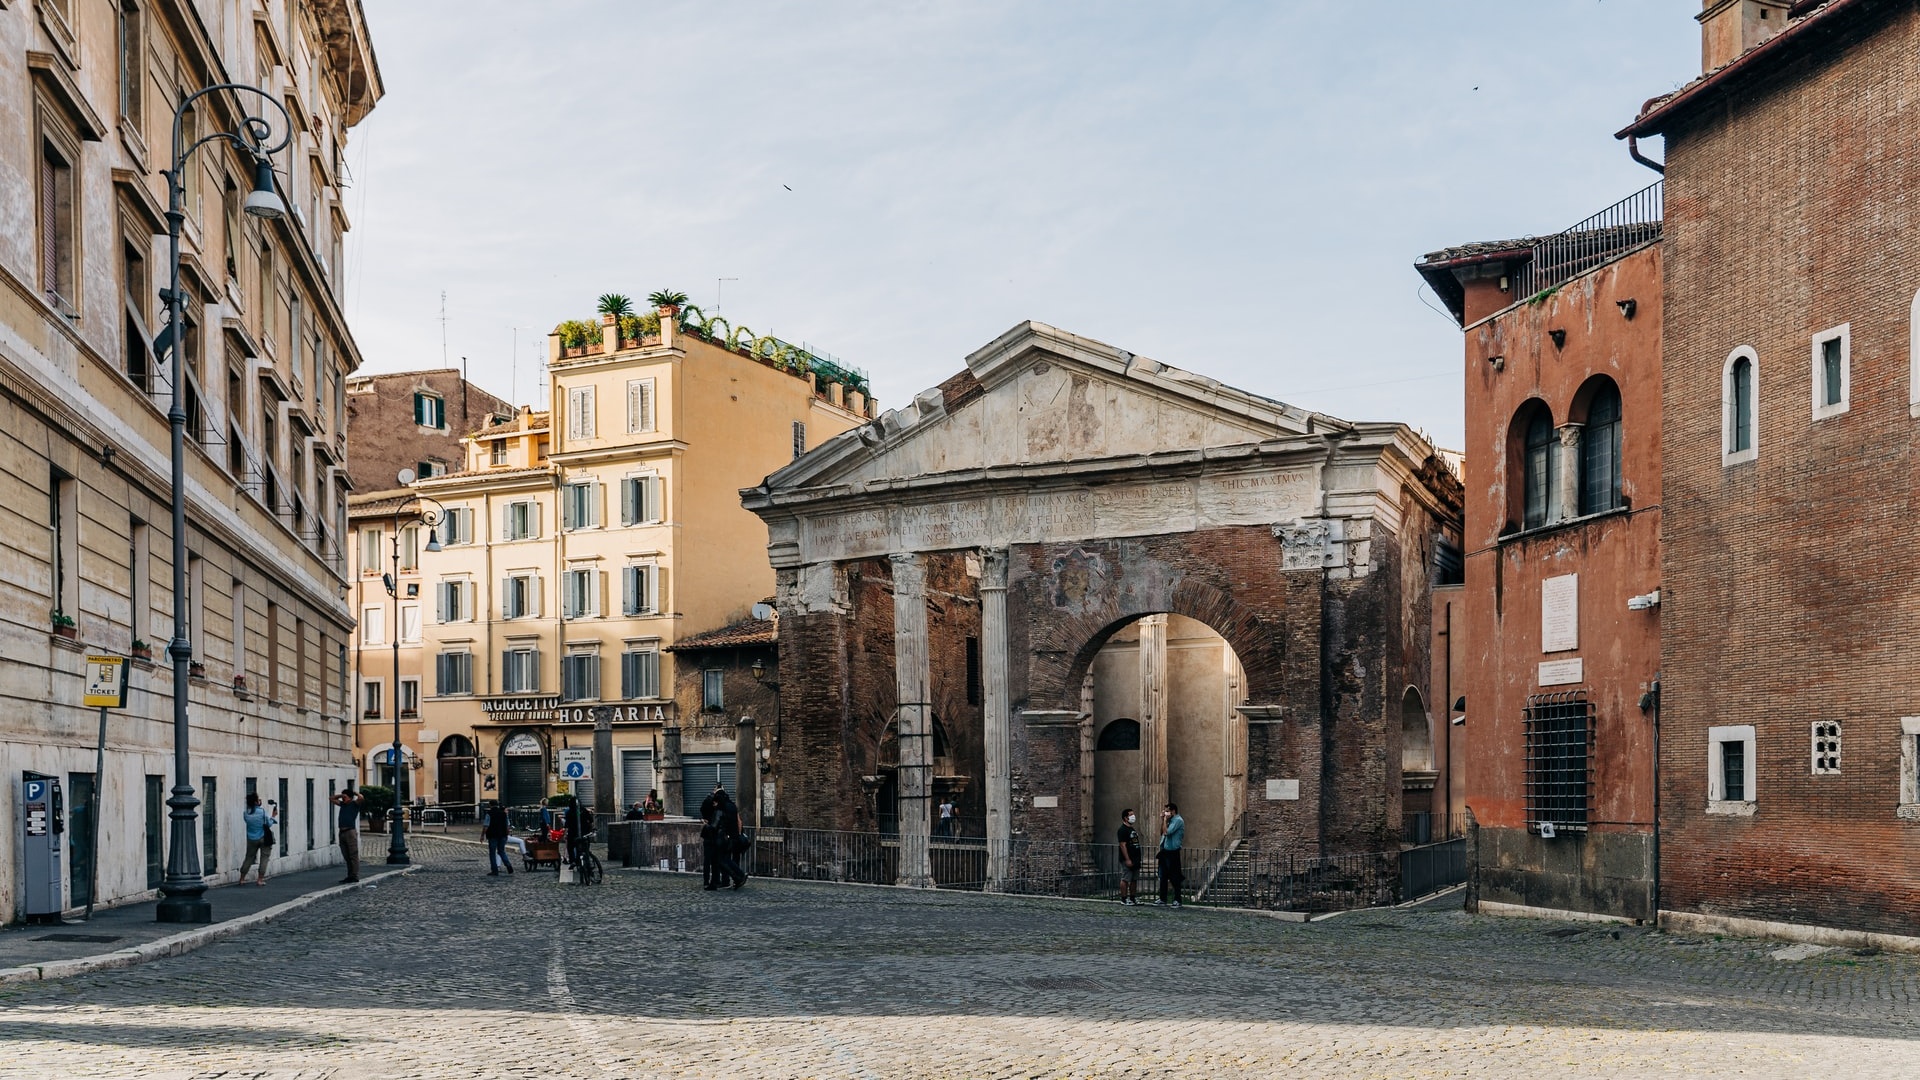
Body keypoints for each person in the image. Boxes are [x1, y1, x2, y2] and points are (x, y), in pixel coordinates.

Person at [238, 792, 277, 886]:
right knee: (264, 858)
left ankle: (242, 878)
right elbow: (269, 824)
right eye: (258, 799)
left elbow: (249, 822)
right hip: (264, 837)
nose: (260, 801)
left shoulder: (246, 813)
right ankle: (260, 880)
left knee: (249, 858)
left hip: (251, 838)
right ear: (256, 802)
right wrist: (273, 816)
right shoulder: (262, 811)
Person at [713, 789, 747, 890]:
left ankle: (737, 877)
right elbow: (738, 821)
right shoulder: (732, 806)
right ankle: (738, 876)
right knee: (727, 859)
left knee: (722, 860)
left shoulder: (723, 808)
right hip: (734, 836)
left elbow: (721, 823)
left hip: (726, 837)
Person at [330, 782, 363, 884]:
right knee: (346, 855)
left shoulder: (354, 804)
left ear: (350, 797)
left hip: (350, 831)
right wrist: (341, 795)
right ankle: (349, 875)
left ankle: (354, 875)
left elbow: (361, 798)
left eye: (345, 797)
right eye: (343, 797)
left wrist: (354, 793)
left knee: (353, 854)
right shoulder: (343, 805)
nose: (343, 799)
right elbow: (331, 799)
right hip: (342, 832)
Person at [1155, 802, 1185, 908]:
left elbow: (1167, 832)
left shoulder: (1177, 820)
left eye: (1167, 810)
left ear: (1173, 811)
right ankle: (1162, 898)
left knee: (1174, 876)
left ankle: (1177, 899)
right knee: (1163, 875)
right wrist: (1162, 821)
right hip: (1165, 851)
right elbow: (1161, 832)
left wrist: (1164, 820)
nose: (1165, 812)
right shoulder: (1169, 820)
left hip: (1173, 852)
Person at [699, 782, 726, 890]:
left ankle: (708, 881)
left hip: (710, 836)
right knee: (714, 861)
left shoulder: (710, 805)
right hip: (714, 837)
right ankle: (714, 880)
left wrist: (706, 823)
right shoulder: (718, 808)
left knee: (709, 861)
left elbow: (703, 809)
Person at [1116, 808, 1141, 906]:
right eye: (1131, 815)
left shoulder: (1132, 829)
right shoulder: (1122, 830)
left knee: (1134, 879)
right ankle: (1124, 898)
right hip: (1128, 858)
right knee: (1126, 878)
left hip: (1135, 858)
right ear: (1126, 818)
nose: (1133, 816)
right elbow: (1123, 845)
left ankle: (1133, 898)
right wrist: (1127, 859)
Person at [482, 800, 513, 876]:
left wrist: (482, 835)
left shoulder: (489, 814)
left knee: (492, 853)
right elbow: (507, 825)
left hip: (492, 835)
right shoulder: (503, 814)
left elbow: (486, 826)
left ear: (490, 805)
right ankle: (508, 864)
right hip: (502, 835)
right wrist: (507, 833)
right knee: (501, 851)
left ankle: (494, 870)